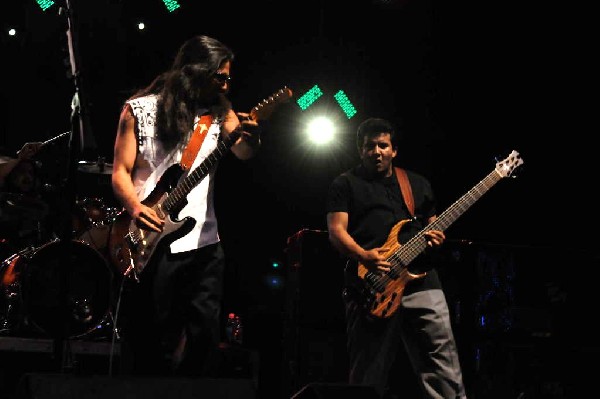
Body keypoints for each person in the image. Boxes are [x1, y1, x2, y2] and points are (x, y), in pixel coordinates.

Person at [111, 35, 261, 377]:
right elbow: (120, 171)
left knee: (204, 335)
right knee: (153, 336)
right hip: (151, 236)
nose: (225, 83)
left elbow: (245, 153)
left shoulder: (221, 114)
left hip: (205, 241)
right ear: (194, 71)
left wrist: (251, 136)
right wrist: (135, 208)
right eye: (218, 76)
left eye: (228, 77)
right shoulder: (138, 110)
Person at [326, 117, 467, 398]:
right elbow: (336, 231)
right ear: (359, 149)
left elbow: (432, 222)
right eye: (369, 146)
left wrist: (438, 239)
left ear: (394, 150)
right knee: (369, 371)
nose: (376, 151)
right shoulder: (345, 184)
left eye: (383, 145)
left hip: (422, 280)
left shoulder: (416, 183)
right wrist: (363, 255)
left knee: (443, 365)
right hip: (371, 284)